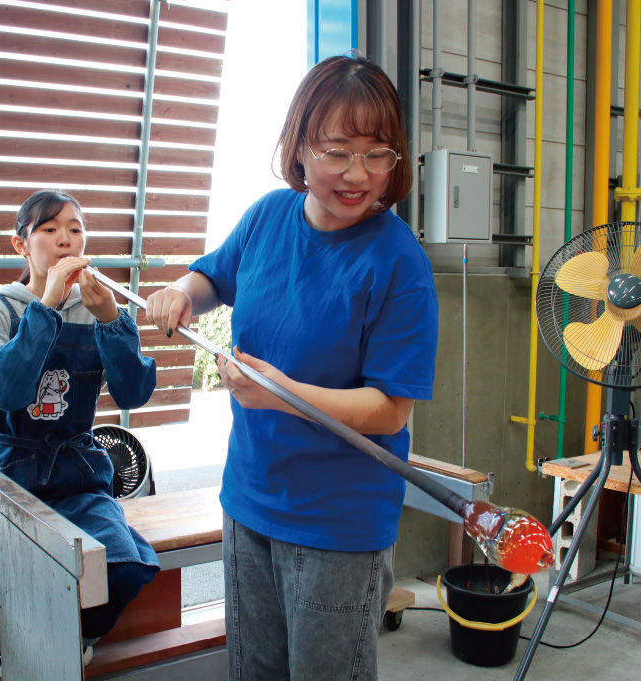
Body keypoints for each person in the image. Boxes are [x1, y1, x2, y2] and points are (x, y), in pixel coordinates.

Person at [145, 53, 439, 680]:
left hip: (338, 521)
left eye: (377, 153)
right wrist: (181, 292)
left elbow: (390, 409)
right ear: (300, 147)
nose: (358, 174)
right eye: (337, 151)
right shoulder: (267, 218)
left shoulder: (398, 260)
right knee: (254, 670)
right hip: (249, 499)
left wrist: (285, 395)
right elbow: (211, 276)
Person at [0, 190, 159, 674]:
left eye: (76, 229)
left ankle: (73, 633)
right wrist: (45, 307)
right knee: (40, 570)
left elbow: (133, 393)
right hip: (6, 475)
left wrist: (111, 318)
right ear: (21, 245)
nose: (65, 240)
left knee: (124, 569)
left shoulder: (100, 308)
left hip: (77, 473)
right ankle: (28, 639)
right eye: (48, 230)